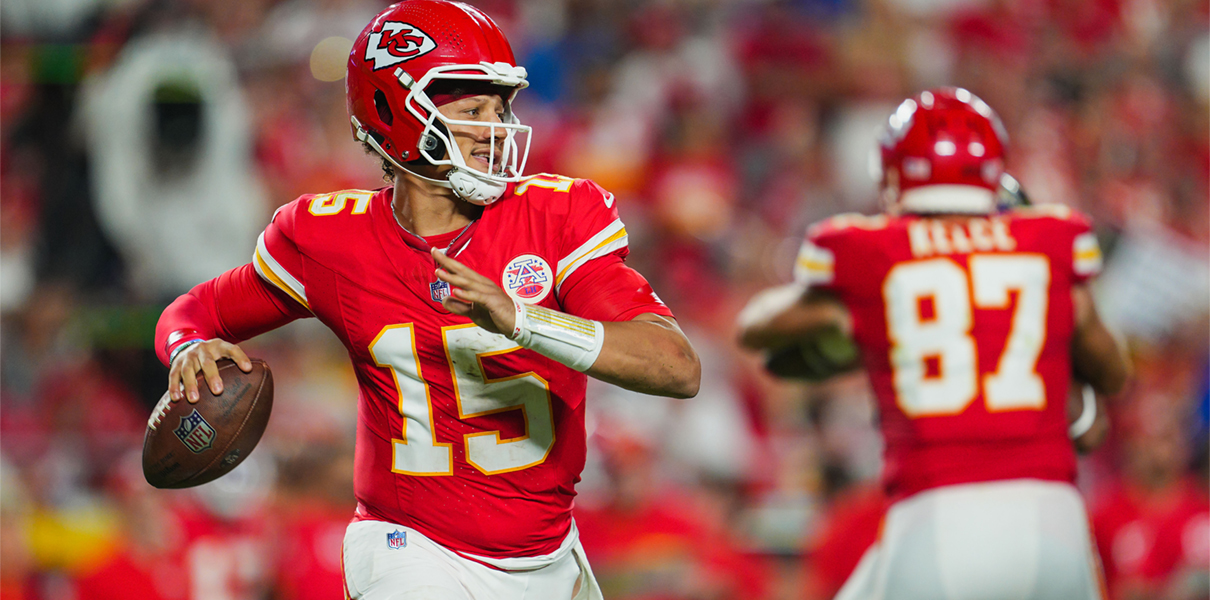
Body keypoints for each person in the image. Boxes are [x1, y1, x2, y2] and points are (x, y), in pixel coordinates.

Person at [153, 2, 701, 599]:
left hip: (547, 554)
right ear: (397, 117)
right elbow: (192, 313)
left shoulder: (557, 216)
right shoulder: (329, 237)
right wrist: (187, 349)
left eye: (500, 109)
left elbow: (676, 367)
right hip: (408, 548)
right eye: (472, 111)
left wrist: (524, 321)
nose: (496, 133)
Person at [738, 87, 1128, 600]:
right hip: (1054, 518)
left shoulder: (871, 250)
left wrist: (850, 325)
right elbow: (1112, 378)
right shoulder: (1049, 240)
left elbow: (756, 326)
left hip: (938, 517)